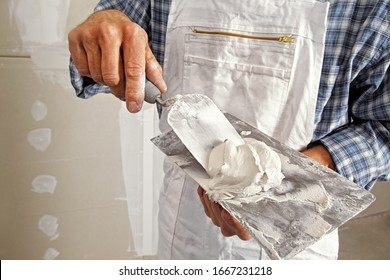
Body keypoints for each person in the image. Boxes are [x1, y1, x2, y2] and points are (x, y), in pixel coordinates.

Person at [68, 0, 390, 259]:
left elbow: (383, 129)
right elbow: (105, 39)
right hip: (184, 237)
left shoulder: (370, 7)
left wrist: (294, 175)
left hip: (298, 239)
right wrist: (102, 30)